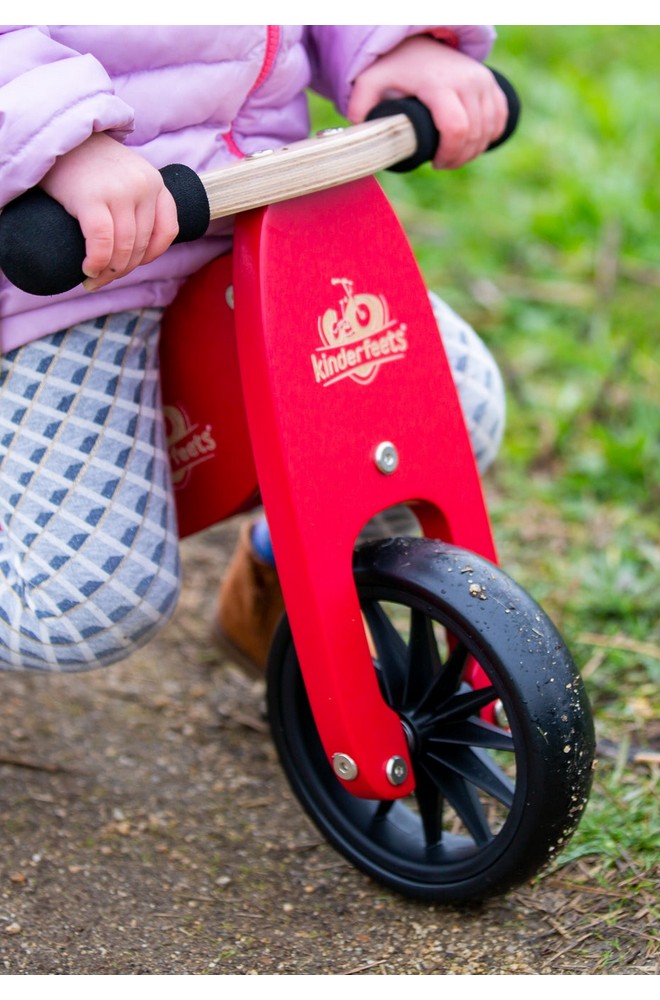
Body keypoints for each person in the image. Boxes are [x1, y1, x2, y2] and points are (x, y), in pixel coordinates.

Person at [0, 26, 508, 673]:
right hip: (85, 255)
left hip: (267, 211)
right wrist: (59, 136)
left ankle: (279, 591)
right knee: (84, 599)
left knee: (450, 415)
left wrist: (395, 39)